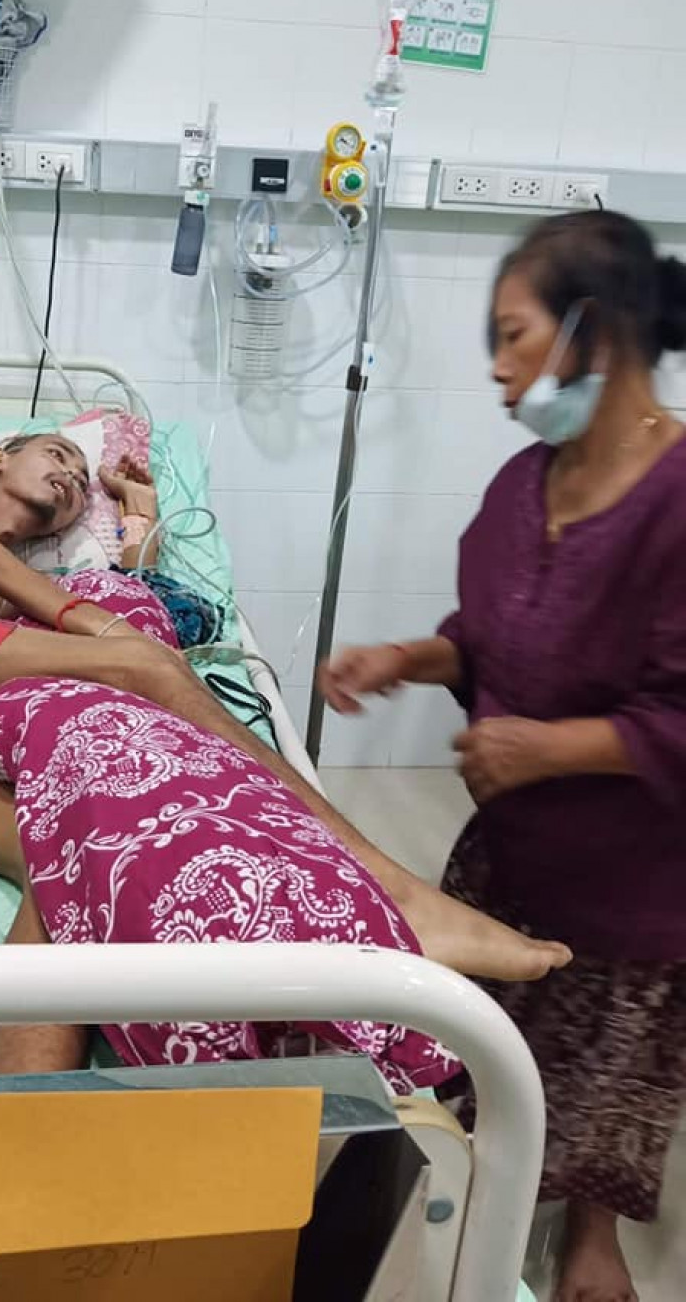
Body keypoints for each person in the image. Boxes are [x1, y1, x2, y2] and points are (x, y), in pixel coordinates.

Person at [0, 425, 570, 989]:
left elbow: (87, 589)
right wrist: (118, 643)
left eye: (76, 480)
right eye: (54, 452)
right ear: (0, 455)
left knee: (57, 852)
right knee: (146, 667)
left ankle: (17, 1119)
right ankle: (395, 887)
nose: (67, 474)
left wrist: (138, 518)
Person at [319, 210, 686, 1302]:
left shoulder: (676, 503)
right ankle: (467, 1191)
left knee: (610, 1070)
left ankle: (589, 1232)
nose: (495, 366)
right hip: (509, 854)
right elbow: (489, 638)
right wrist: (407, 657)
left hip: (637, 879)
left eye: (513, 334)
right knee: (481, 1037)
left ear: (594, 331)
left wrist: (551, 747)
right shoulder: (525, 483)